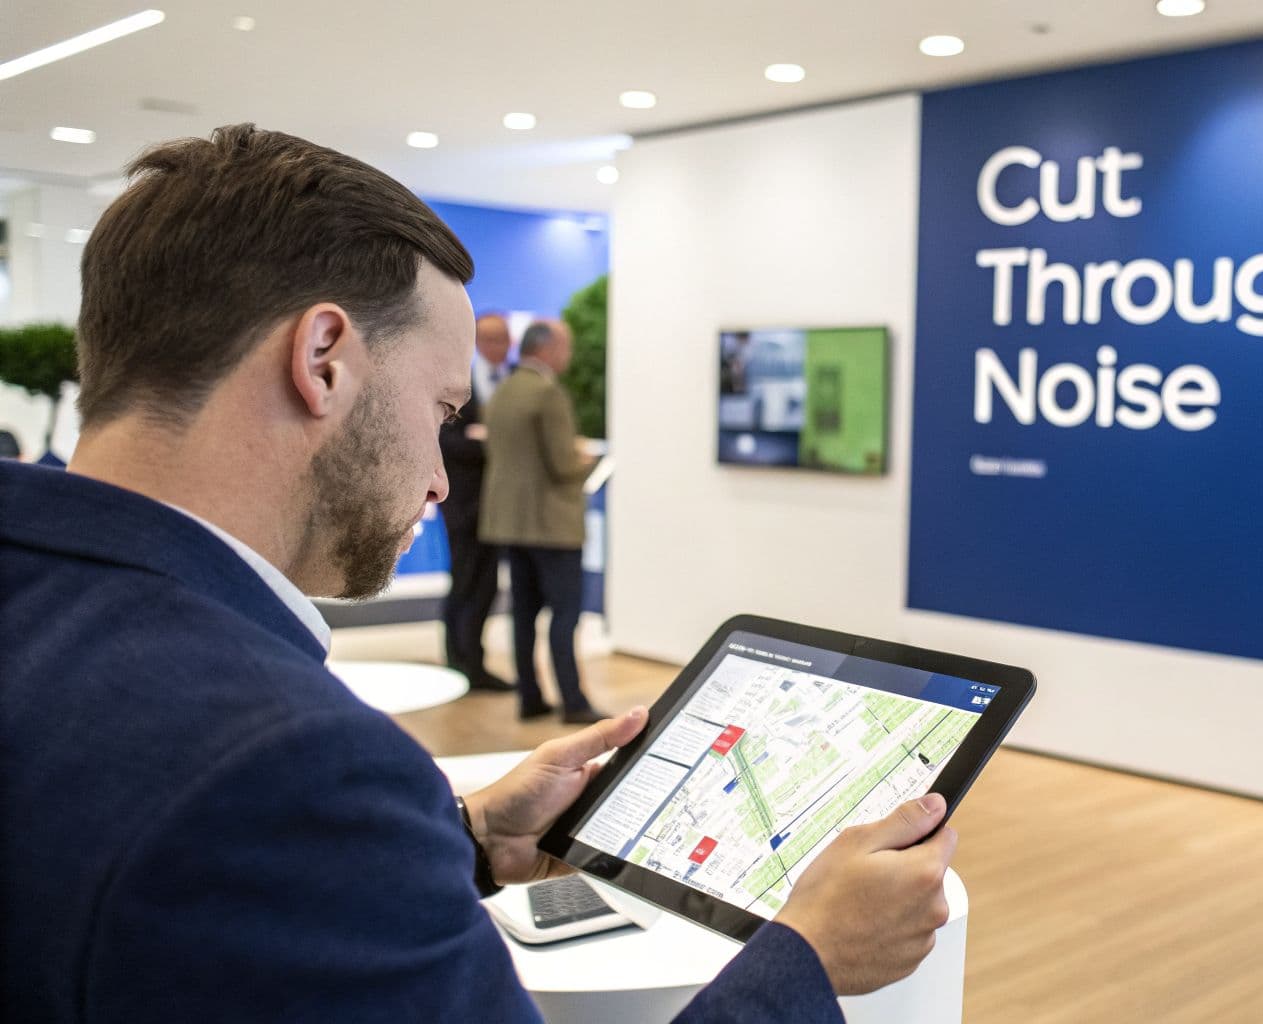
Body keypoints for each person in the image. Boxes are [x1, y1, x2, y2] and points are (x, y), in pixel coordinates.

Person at [0, 124, 957, 1023]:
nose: (438, 477)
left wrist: (466, 837)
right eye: (442, 410)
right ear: (322, 359)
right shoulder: (289, 763)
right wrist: (809, 956)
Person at [480, 319, 598, 724]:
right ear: (547, 349)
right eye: (565, 346)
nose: (569, 354)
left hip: (511, 523)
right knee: (564, 616)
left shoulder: (505, 390)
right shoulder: (548, 393)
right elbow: (563, 465)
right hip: (552, 525)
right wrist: (586, 460)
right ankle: (574, 702)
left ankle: (529, 697)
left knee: (524, 614)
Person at [438, 312, 515, 692]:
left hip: (502, 506)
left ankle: (475, 663)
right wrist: (487, 442)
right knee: (466, 581)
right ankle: (459, 662)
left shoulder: (515, 381)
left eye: (502, 338)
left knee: (486, 585)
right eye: (488, 338)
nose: (495, 346)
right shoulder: (458, 383)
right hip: (464, 505)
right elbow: (445, 440)